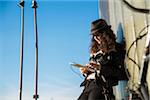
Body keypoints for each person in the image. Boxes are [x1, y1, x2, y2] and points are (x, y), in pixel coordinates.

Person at [77, 19, 128, 100]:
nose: (96, 37)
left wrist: (100, 68)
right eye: (94, 35)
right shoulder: (95, 51)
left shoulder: (116, 49)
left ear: (106, 33)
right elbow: (93, 69)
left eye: (98, 34)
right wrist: (86, 71)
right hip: (88, 85)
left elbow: (122, 74)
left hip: (100, 86)